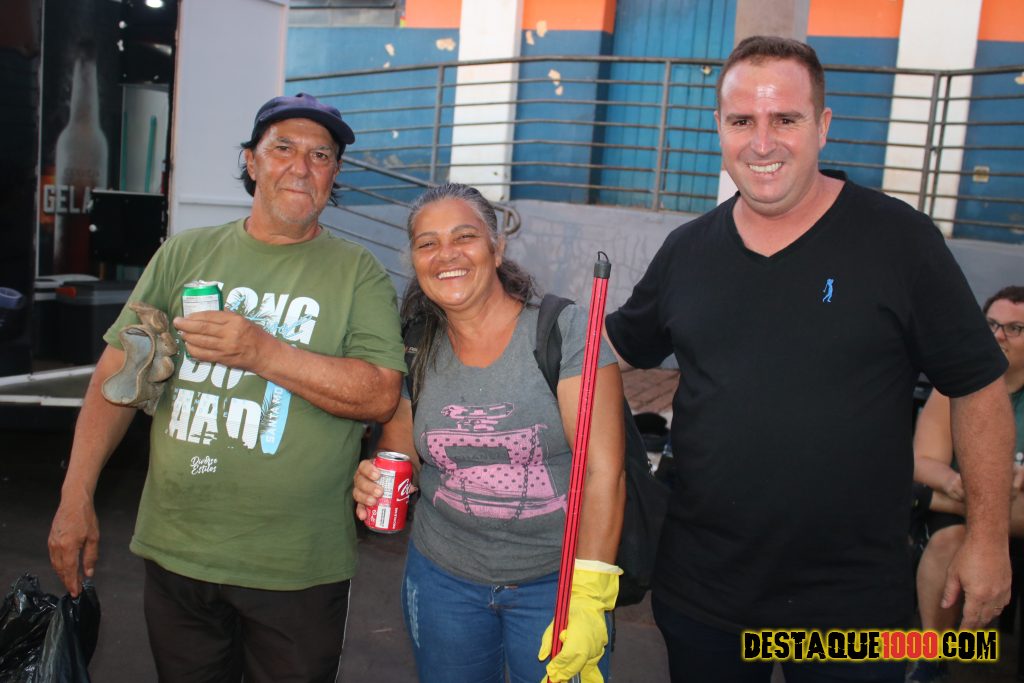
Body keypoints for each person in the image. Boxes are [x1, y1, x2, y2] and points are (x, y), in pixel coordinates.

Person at [604, 35, 1015, 683]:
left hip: (852, 602)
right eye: (743, 120)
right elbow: (608, 352)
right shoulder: (687, 251)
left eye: (785, 119)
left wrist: (988, 539)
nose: (762, 142)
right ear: (719, 128)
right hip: (703, 591)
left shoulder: (899, 241)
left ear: (822, 126)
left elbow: (979, 388)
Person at [48, 92, 407, 682]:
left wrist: (263, 352)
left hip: (297, 566)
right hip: (178, 551)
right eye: (283, 148)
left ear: (334, 175)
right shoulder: (185, 253)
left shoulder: (357, 272)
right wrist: (74, 496)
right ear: (251, 161)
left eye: (321, 156)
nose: (302, 167)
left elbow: (379, 394)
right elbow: (118, 379)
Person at [352, 183, 626, 683]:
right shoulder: (413, 343)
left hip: (555, 582)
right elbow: (401, 450)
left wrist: (588, 596)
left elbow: (603, 472)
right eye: (428, 243)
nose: (446, 254)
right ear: (414, 260)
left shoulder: (563, 332)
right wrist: (375, 479)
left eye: (464, 237)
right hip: (443, 582)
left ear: (496, 248)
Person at [909, 285, 1024, 682]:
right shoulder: (955, 387)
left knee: (919, 497)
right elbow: (922, 462)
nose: (998, 336)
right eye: (990, 324)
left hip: (1003, 507)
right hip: (965, 506)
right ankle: (932, 661)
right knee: (948, 540)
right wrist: (958, 481)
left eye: (1015, 328)